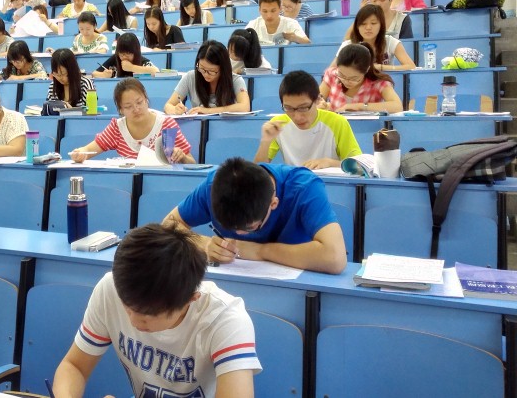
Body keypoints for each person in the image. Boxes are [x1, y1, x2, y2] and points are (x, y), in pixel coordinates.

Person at [52, 223, 261, 397]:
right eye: (127, 307)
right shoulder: (111, 288)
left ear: (190, 299)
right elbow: (74, 367)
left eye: (148, 316)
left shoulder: (226, 320)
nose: (133, 321)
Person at [163, 158, 347, 274]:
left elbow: (335, 258)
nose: (239, 234)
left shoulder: (305, 187)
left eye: (250, 227)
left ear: (273, 203)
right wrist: (204, 243)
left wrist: (261, 251)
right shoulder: (214, 185)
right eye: (229, 227)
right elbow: (169, 224)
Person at [71, 78, 195, 164]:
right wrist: (80, 153)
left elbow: (192, 163)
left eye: (139, 102)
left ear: (146, 99)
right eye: (128, 106)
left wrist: (182, 157)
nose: (136, 109)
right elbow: (89, 149)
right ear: (121, 109)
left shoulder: (166, 124)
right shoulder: (117, 127)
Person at [254, 71, 361, 169]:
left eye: (303, 108)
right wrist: (265, 141)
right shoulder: (278, 125)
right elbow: (259, 172)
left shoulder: (337, 122)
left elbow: (359, 166)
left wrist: (330, 163)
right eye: (288, 108)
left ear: (318, 100)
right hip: (294, 182)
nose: (297, 117)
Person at [164, 40, 251, 115]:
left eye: (211, 71)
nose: (205, 74)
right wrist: (175, 110)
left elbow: (245, 107)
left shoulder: (235, 80)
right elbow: (168, 105)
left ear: (223, 68)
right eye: (202, 68)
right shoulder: (190, 77)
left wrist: (208, 111)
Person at [320, 43, 404, 113]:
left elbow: (397, 106)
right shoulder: (332, 75)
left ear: (366, 69)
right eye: (342, 75)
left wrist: (359, 106)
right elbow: (317, 99)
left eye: (354, 78)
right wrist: (321, 105)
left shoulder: (378, 83)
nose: (346, 81)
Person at [333, 4, 415, 71]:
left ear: (381, 25)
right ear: (357, 26)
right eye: (363, 24)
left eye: (373, 23)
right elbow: (332, 70)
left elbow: (411, 66)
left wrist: (380, 67)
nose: (368, 27)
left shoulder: (390, 41)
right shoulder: (348, 45)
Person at [92, 33, 158, 79]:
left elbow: (156, 72)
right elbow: (94, 74)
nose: (124, 57)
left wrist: (132, 67)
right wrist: (104, 75)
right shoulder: (115, 58)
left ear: (135, 52)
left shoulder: (142, 61)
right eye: (121, 54)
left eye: (128, 53)